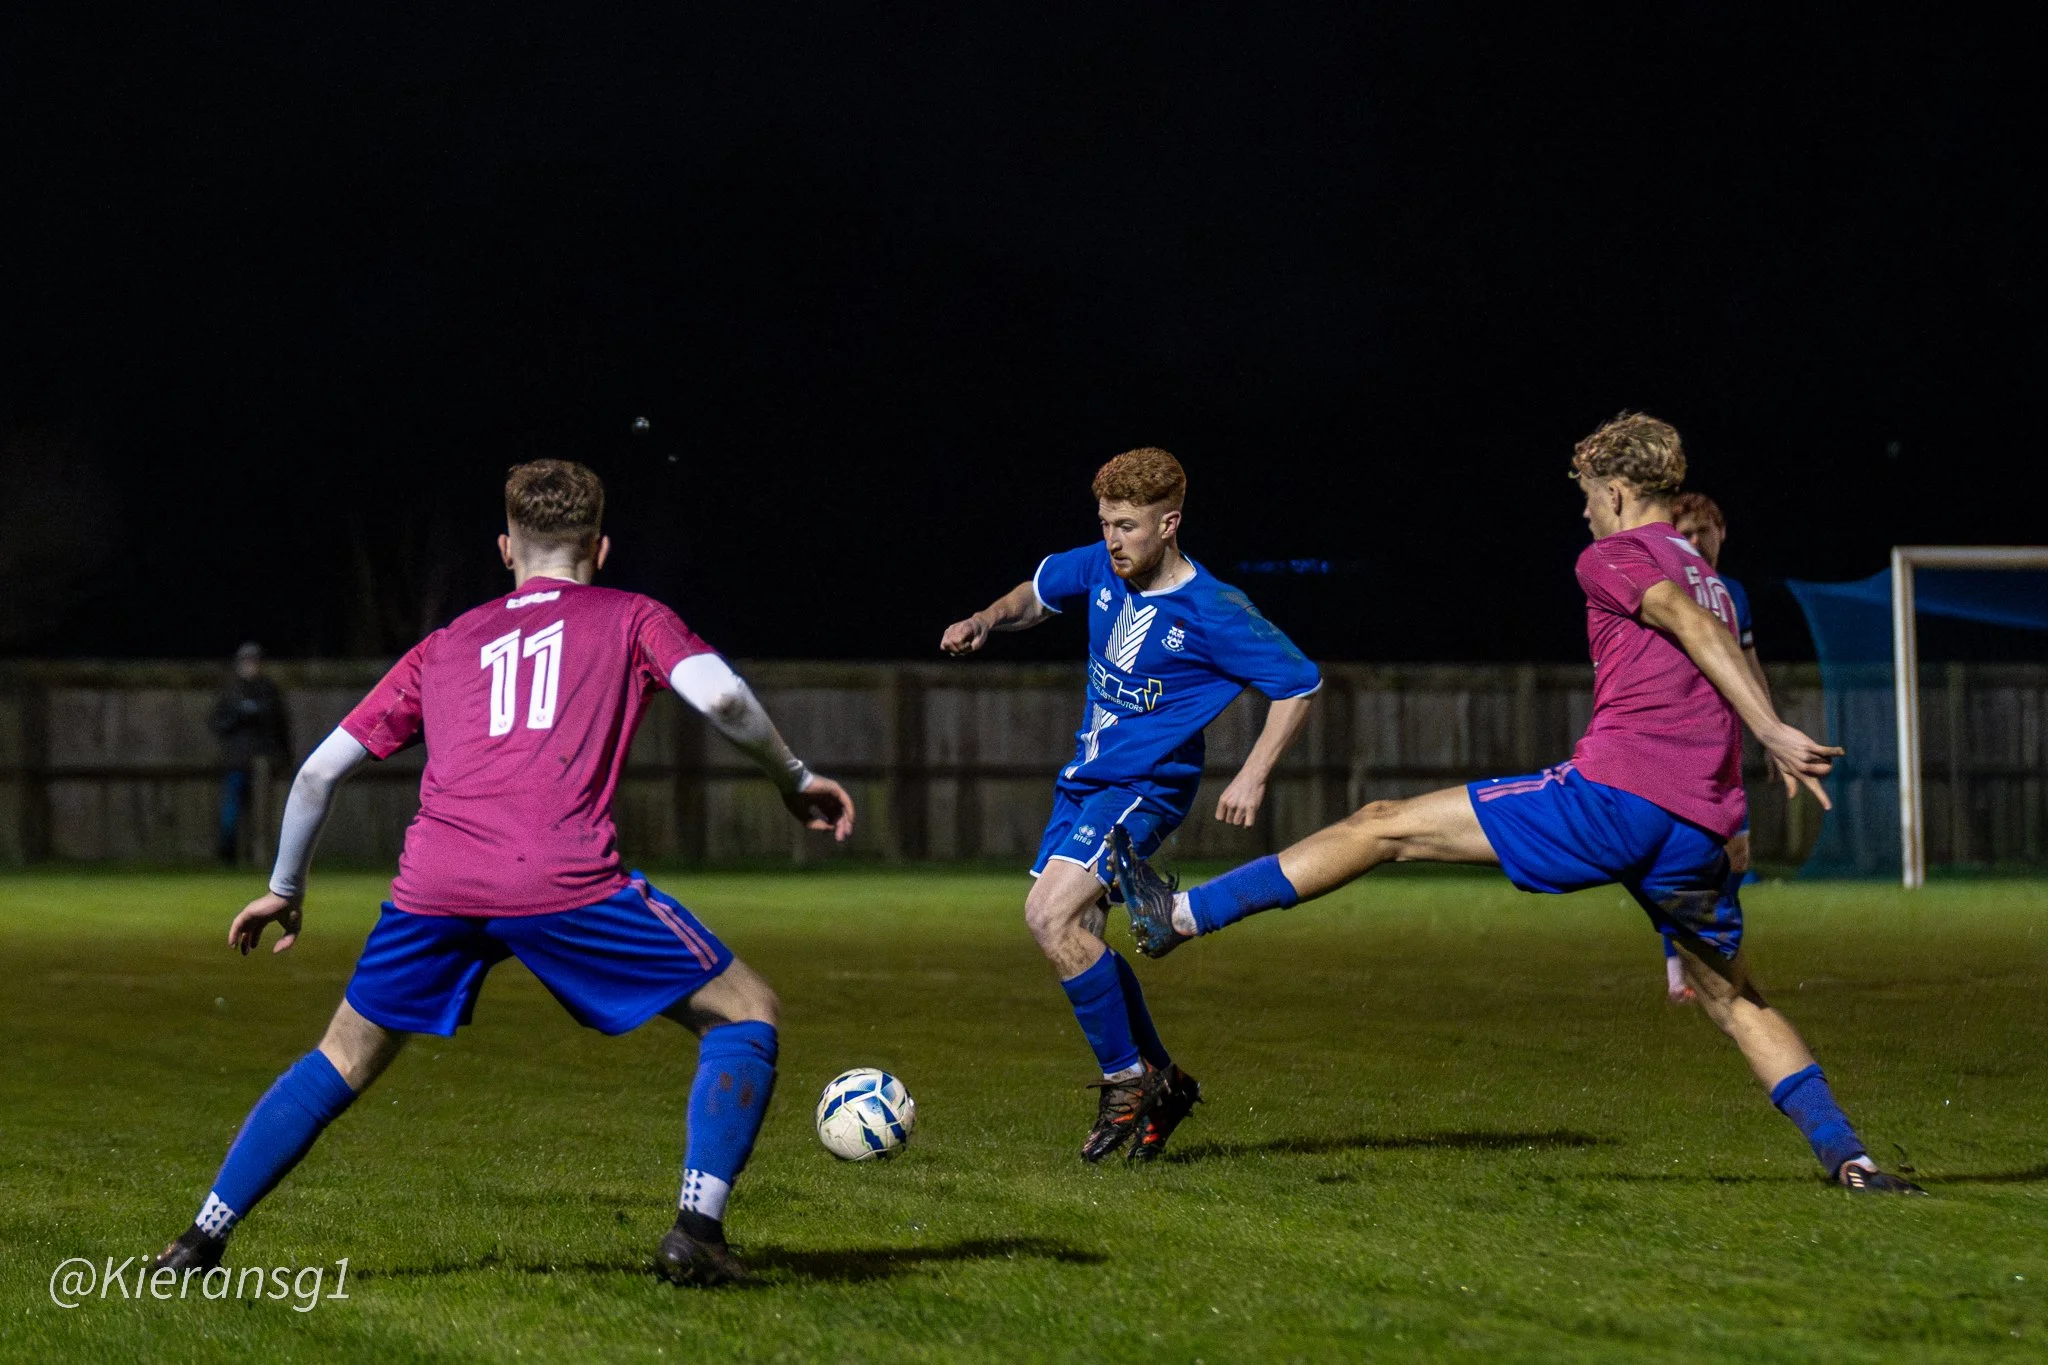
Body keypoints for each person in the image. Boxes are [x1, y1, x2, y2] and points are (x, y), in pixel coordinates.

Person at [1113, 414, 1923, 1193]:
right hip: (1696, 828)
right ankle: (1849, 1158)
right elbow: (1711, 651)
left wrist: (1773, 728)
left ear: (1613, 491)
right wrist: (1754, 763)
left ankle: (1179, 916)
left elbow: (1678, 625)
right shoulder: (1710, 579)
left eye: (1585, 492)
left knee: (1383, 824)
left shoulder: (1614, 556)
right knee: (1737, 998)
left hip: (1617, 799)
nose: (1582, 508)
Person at [154, 459, 857, 1285]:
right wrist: (792, 776)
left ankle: (199, 1241)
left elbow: (315, 773)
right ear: (599, 548)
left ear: (504, 548)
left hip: (435, 883)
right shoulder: (631, 615)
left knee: (341, 1056)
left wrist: (286, 888)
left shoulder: (445, 643)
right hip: (560, 876)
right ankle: (696, 1230)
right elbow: (728, 701)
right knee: (746, 1011)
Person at [940, 448, 1321, 1162]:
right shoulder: (1104, 565)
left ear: (1169, 522)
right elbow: (1037, 591)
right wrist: (987, 617)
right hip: (1085, 779)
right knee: (1080, 932)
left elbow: (1298, 685)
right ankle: (1165, 1080)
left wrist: (1253, 774)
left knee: (1047, 916)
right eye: (1106, 523)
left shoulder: (1215, 610)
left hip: (1145, 786)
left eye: (1127, 526)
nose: (1113, 539)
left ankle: (1125, 1080)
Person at [1654, 491, 1770, 1003]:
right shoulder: (1670, 589)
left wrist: (1769, 728)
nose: (1696, 541)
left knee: (1737, 854)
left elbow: (1748, 664)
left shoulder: (1735, 594)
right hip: (1680, 740)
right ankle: (1680, 970)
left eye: (1704, 531)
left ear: (1723, 533)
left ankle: (1707, 950)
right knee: (1682, 857)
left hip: (1724, 739)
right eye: (1687, 533)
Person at [209, 642, 291, 865]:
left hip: (263, 757)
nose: (250, 666)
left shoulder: (269, 691)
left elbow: (281, 726)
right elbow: (218, 724)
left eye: (254, 661)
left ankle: (261, 856)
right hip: (237, 759)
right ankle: (228, 855)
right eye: (246, 661)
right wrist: (239, 714)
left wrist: (284, 757)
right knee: (231, 812)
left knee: (263, 812)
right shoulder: (231, 692)